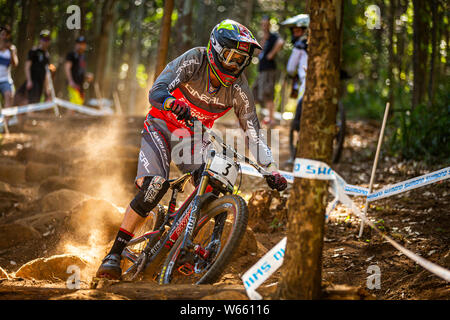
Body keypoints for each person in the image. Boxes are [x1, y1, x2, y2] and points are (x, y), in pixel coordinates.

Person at [95, 19, 288, 280]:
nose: (236, 65)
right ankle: (114, 253)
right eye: (231, 57)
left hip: (193, 136)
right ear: (216, 50)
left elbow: (253, 134)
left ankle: (188, 247)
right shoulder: (194, 60)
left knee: (218, 180)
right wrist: (171, 102)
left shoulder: (239, 89)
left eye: (242, 60)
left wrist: (271, 169)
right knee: (154, 185)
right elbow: (157, 91)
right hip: (161, 125)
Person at [281, 14, 309, 165]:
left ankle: (297, 155)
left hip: (307, 83)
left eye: (299, 31)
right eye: (295, 31)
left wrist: (292, 74)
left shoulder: (300, 45)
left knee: (299, 120)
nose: (295, 34)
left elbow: (291, 67)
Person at [252, 16, 284, 127]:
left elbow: (281, 42)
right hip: (261, 70)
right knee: (254, 92)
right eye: (262, 24)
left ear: (269, 25)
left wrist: (272, 53)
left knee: (268, 93)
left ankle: (271, 119)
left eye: (266, 24)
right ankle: (252, 118)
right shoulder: (263, 37)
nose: (264, 26)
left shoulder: (273, 36)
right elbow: (257, 52)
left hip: (269, 69)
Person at [64, 36, 91, 105]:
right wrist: (71, 81)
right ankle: (68, 116)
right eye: (79, 44)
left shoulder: (83, 57)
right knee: (73, 105)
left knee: (79, 105)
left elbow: (81, 70)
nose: (81, 46)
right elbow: (67, 68)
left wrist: (87, 76)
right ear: (76, 44)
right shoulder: (71, 55)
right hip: (73, 85)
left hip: (81, 86)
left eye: (83, 44)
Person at [0, 25, 18, 109]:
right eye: (2, 34)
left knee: (9, 96)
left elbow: (15, 64)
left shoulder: (11, 49)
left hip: (5, 80)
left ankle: (5, 121)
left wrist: (11, 53)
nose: (3, 37)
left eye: (5, 34)